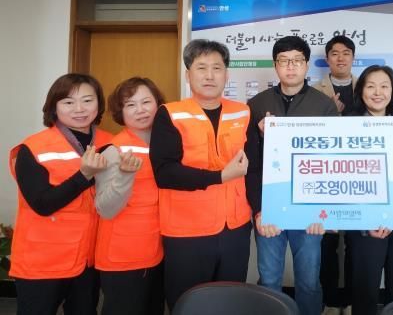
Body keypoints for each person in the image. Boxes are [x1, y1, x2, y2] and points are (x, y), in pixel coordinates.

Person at [150, 39, 251, 310]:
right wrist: (219, 177)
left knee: (230, 302)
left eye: (217, 68)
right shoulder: (170, 114)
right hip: (187, 230)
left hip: (235, 228)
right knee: (189, 303)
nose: (209, 75)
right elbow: (165, 173)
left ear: (226, 75)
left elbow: (255, 167)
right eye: (201, 68)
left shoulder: (242, 112)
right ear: (188, 74)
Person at [245, 35, 339, 315]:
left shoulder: (324, 105)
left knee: (309, 281)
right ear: (275, 65)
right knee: (269, 279)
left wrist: (324, 211)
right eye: (284, 60)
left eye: (297, 60)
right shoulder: (255, 104)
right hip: (269, 206)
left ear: (306, 65)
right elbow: (250, 164)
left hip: (308, 208)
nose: (290, 66)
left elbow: (332, 161)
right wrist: (258, 209)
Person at [8, 73, 113, 315]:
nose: (79, 109)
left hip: (88, 259)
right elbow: (42, 204)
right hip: (42, 260)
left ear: (98, 104)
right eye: (68, 102)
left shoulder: (110, 142)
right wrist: (83, 175)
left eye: (87, 100)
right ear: (54, 107)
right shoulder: (34, 148)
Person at [345, 65, 393, 315]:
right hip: (365, 222)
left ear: (392, 90)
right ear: (361, 91)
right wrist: (368, 220)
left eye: (384, 86)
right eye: (371, 86)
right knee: (365, 289)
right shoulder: (347, 124)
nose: (378, 92)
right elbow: (345, 177)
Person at [94, 77, 166, 315]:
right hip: (123, 256)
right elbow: (105, 208)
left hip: (155, 251)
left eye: (146, 102)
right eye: (130, 105)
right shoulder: (114, 151)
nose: (140, 110)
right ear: (121, 112)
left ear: (158, 104)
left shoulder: (164, 145)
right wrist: (125, 175)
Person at [313, 35, 357, 315]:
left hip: (358, 175)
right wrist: (330, 113)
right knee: (326, 242)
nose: (340, 58)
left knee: (355, 241)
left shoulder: (366, 86)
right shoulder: (314, 91)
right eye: (334, 53)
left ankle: (351, 300)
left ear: (353, 57)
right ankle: (329, 301)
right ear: (327, 58)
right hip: (325, 175)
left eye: (346, 53)